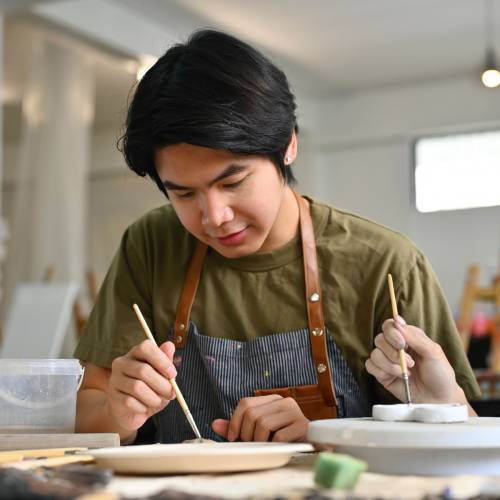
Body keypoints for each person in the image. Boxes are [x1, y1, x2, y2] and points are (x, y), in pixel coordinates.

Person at [74, 29, 480, 445]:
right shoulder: (152, 244)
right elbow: (88, 410)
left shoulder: (385, 263)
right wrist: (118, 412)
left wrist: (327, 437)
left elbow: (468, 441)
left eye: (233, 181)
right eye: (184, 193)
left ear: (287, 145)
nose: (214, 217)